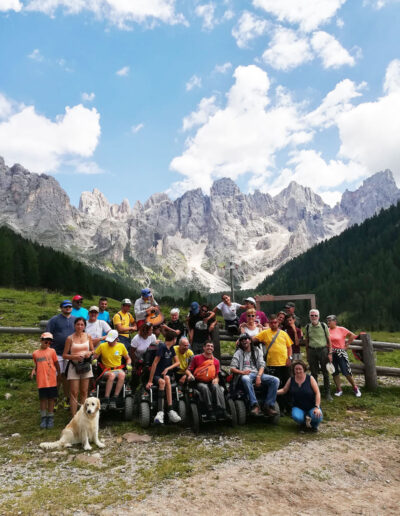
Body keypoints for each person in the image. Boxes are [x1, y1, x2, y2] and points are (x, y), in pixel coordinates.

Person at [252, 314, 293, 413]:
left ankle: (289, 407)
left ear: (278, 323)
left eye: (275, 322)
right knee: (276, 387)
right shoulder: (265, 333)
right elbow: (253, 339)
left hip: (285, 363)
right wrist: (243, 338)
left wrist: (289, 358)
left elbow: (289, 347)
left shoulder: (283, 333)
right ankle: (279, 408)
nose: (274, 324)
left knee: (288, 385)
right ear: (269, 323)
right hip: (272, 364)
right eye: (271, 323)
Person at [230, 334, 279, 416]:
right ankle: (254, 404)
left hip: (257, 373)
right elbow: (232, 368)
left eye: (246, 339)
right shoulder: (238, 353)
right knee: (246, 378)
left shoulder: (257, 351)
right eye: (242, 340)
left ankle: (268, 405)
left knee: (275, 380)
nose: (244, 341)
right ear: (240, 342)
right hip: (245, 374)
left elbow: (262, 365)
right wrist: (242, 372)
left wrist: (259, 376)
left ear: (250, 340)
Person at [146, 331, 182, 424]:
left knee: (167, 378)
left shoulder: (171, 348)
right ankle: (160, 412)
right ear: (174, 339)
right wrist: (150, 380)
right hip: (157, 374)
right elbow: (154, 363)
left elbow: (178, 362)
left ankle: (170, 410)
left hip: (166, 374)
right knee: (162, 381)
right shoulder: (162, 347)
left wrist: (168, 368)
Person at [46, 299, 76, 408]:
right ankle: (54, 399)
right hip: (56, 353)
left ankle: (67, 399)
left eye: (69, 306)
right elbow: (48, 334)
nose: (68, 308)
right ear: (61, 308)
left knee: (67, 377)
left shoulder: (75, 319)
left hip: (70, 353)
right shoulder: (54, 320)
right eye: (65, 307)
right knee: (56, 377)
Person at [278, 361, 323, 432]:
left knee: (317, 416)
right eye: (296, 369)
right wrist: (273, 392)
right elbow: (284, 390)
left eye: (300, 369)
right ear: (293, 370)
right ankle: (303, 424)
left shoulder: (310, 378)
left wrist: (317, 407)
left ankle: (314, 426)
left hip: (312, 406)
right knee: (296, 417)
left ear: (304, 369)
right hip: (298, 406)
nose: (298, 371)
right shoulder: (291, 379)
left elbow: (317, 393)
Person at [93, 329, 132, 409]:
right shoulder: (102, 346)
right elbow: (95, 357)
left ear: (116, 339)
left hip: (118, 369)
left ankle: (115, 397)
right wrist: (94, 361)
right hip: (106, 370)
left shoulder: (121, 346)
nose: (109, 342)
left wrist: (128, 364)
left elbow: (128, 358)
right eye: (108, 340)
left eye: (111, 341)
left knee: (122, 374)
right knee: (112, 375)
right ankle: (106, 398)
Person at [63, 317, 94, 416]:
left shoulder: (88, 336)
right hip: (74, 366)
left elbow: (93, 350)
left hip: (85, 366)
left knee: (84, 391)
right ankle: (74, 416)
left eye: (82, 324)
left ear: (84, 326)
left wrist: (89, 353)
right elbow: (64, 355)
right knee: (74, 392)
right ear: (74, 325)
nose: (80, 326)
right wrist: (74, 356)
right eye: (78, 324)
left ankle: (84, 415)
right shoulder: (69, 338)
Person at [189, 341, 226, 420]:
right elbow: (189, 370)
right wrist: (190, 375)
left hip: (211, 381)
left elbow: (217, 375)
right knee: (204, 388)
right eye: (208, 346)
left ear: (213, 349)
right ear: (204, 347)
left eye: (211, 346)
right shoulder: (196, 358)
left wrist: (216, 379)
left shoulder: (216, 361)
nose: (210, 348)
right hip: (199, 382)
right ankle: (210, 410)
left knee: (216, 386)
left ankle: (221, 409)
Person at [326, 315, 361, 397]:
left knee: (346, 371)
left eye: (329, 321)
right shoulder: (326, 330)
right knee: (334, 372)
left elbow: (352, 335)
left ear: (335, 321)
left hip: (341, 353)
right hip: (331, 353)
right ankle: (339, 389)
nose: (328, 322)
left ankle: (355, 388)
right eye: (327, 321)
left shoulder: (341, 329)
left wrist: (347, 344)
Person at [31, 332, 60, 429]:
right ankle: (43, 417)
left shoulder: (52, 351)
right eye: (45, 341)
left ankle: (50, 417)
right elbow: (36, 365)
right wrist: (33, 370)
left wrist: (59, 373)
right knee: (43, 399)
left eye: (49, 342)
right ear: (41, 340)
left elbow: (56, 363)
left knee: (51, 399)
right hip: (41, 381)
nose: (47, 343)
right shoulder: (35, 353)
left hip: (51, 380)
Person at [305, 309, 333, 401]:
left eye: (315, 315)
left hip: (323, 350)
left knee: (325, 373)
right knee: (314, 373)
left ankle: (327, 393)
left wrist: (330, 353)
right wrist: (307, 353)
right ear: (309, 316)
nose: (313, 317)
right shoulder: (308, 327)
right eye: (312, 315)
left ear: (318, 317)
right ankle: (316, 392)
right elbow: (307, 340)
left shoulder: (323, 326)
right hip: (312, 351)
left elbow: (329, 340)